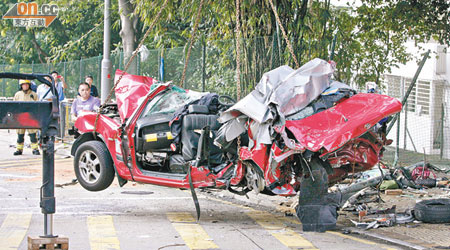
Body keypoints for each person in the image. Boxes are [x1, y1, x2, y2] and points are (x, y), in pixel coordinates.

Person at [13, 80, 40, 155]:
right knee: (20, 135)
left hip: (30, 118)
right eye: (23, 85)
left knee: (33, 135)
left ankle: (35, 149)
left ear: (29, 85)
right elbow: (14, 106)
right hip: (20, 118)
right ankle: (19, 149)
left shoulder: (33, 94)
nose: (25, 86)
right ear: (21, 86)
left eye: (26, 84)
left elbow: (37, 106)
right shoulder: (17, 94)